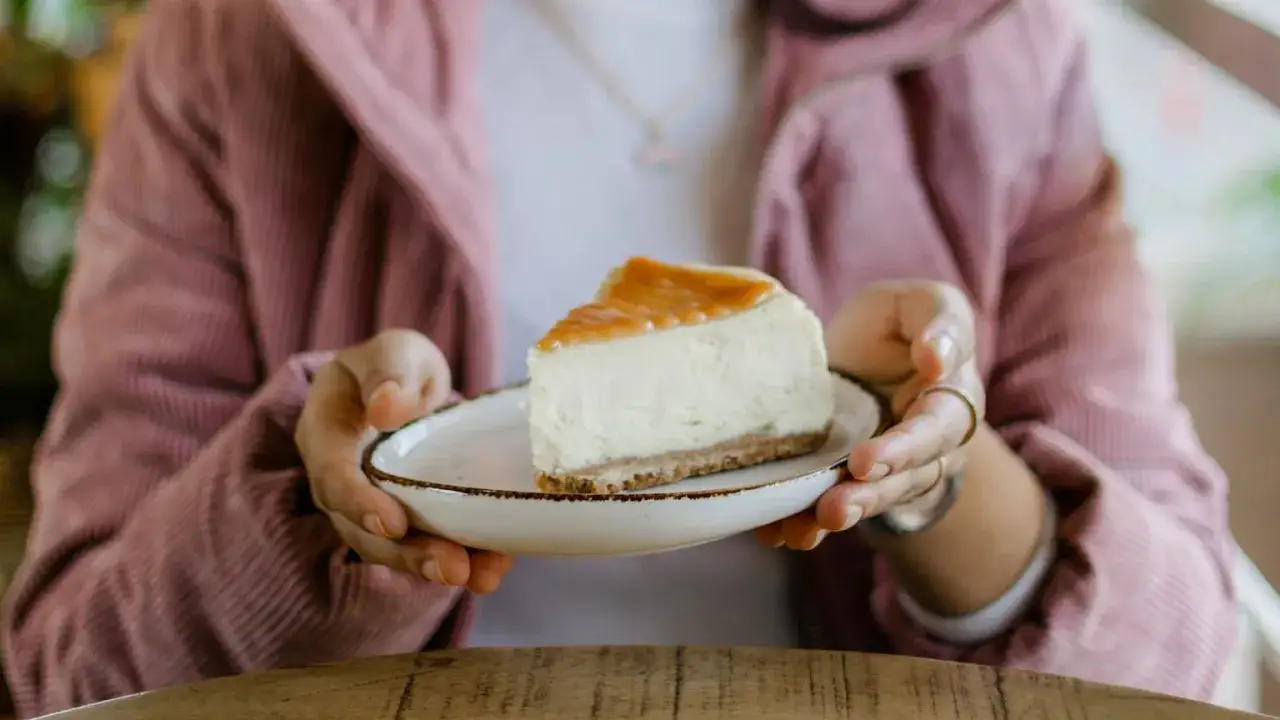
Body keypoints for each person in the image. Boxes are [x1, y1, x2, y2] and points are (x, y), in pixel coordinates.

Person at [0, 0, 1237, 716]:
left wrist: (930, 479)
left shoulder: (990, 43)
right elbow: (70, 677)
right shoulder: (241, 41)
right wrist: (322, 503)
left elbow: (1182, 665)